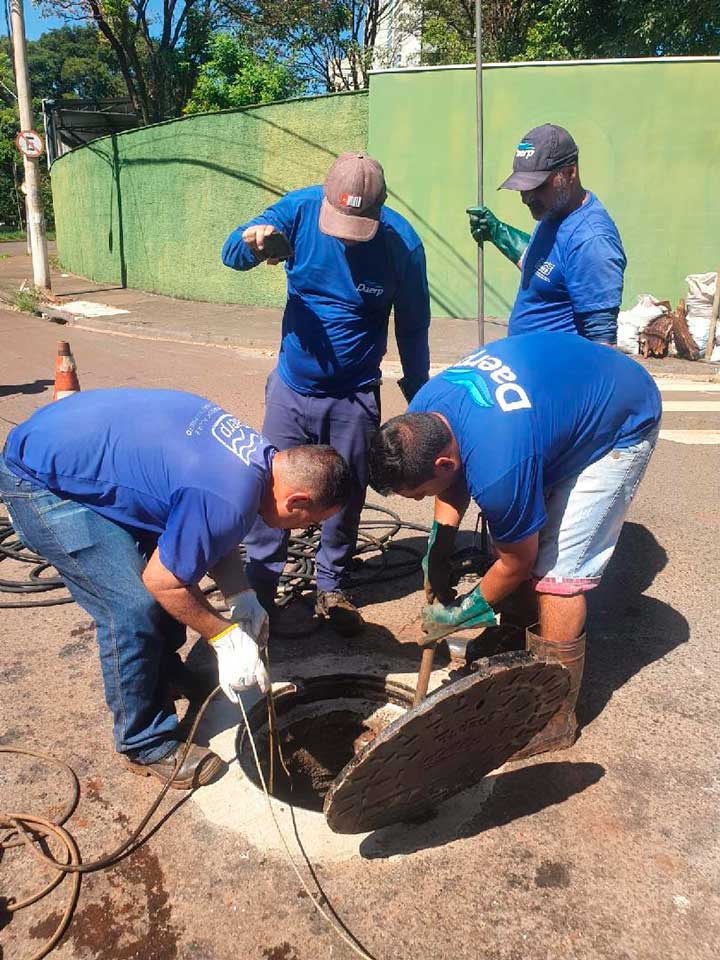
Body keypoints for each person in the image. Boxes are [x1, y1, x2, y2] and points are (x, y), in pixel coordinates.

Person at [0, 389, 351, 787]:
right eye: (309, 522)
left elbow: (212, 530)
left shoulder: (258, 458)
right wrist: (223, 636)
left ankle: (164, 674)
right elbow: (163, 580)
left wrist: (241, 595)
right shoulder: (228, 495)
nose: (304, 531)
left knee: (169, 577)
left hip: (68, 447)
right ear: (298, 499)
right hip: (41, 481)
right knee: (133, 608)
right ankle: (145, 743)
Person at [368, 333, 661, 757]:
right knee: (520, 529)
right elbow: (451, 485)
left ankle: (553, 716)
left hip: (620, 418)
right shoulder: (424, 414)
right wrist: (439, 549)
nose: (418, 503)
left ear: (442, 463)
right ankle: (517, 643)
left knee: (559, 573)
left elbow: (517, 562)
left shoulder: (500, 469)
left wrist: (457, 614)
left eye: (416, 493)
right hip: (564, 397)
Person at [221, 152, 431, 635]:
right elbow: (231, 253)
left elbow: (414, 325)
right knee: (272, 485)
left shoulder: (403, 244)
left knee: (347, 489)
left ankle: (332, 585)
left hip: (354, 393)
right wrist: (253, 247)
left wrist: (419, 395)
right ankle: (261, 584)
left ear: (379, 212)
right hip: (292, 387)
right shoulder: (296, 212)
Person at [467, 124, 626, 344]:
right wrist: (497, 232)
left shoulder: (592, 242)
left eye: (538, 186)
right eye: (522, 187)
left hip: (558, 375)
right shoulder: (553, 213)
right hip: (530, 369)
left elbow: (602, 346)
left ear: (570, 173)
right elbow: (544, 268)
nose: (526, 198)